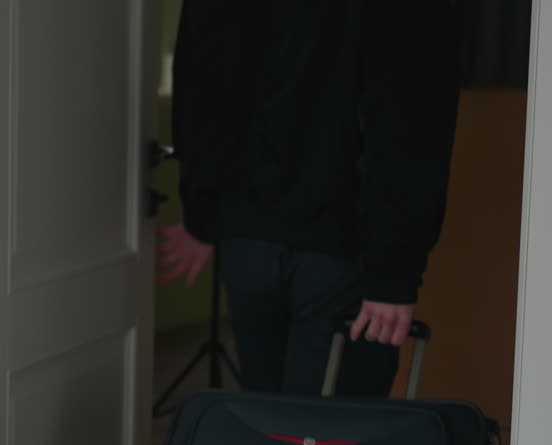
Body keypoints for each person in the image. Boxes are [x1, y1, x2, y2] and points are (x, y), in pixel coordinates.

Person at [157, 1, 462, 397]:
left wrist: (203, 211)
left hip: (250, 242)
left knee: (271, 429)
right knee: (325, 441)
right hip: (340, 249)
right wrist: (394, 273)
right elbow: (407, 118)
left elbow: (200, 82)